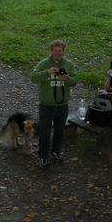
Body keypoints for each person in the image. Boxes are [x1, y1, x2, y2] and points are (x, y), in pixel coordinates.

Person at [30, 39, 78, 167]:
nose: (58, 53)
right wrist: (47, 72)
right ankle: (43, 156)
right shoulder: (44, 64)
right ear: (51, 51)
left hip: (62, 105)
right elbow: (33, 77)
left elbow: (75, 81)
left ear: (64, 51)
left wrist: (66, 79)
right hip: (46, 105)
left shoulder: (68, 64)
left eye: (60, 51)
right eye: (55, 51)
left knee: (59, 131)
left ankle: (56, 151)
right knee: (45, 132)